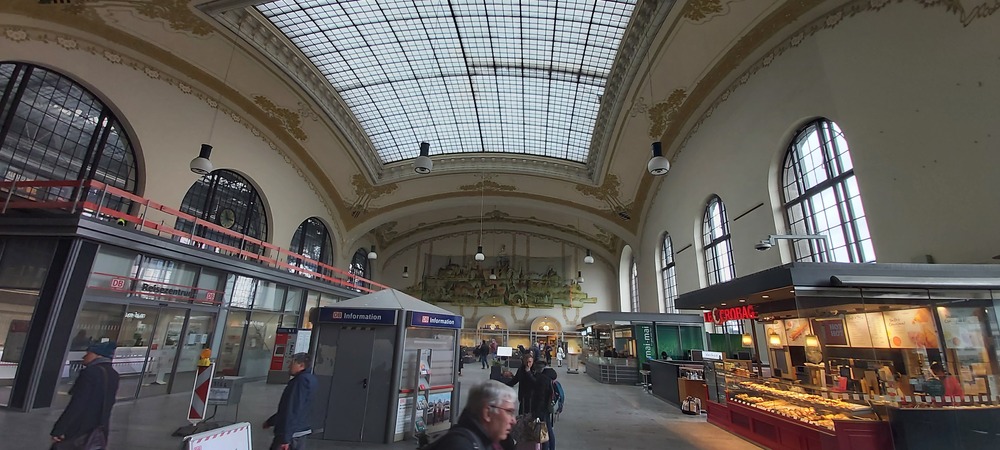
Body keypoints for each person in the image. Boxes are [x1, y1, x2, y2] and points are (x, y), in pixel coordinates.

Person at [51, 341, 120, 448]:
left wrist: (60, 428)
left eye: (88, 353)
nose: (84, 356)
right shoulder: (113, 374)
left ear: (98, 355)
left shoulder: (90, 373)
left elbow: (78, 403)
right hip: (99, 428)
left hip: (80, 427)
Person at [429, 380, 517, 450]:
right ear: (487, 413)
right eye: (509, 412)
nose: (514, 421)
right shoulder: (460, 445)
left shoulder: (490, 441)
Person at [263, 353, 317, 450]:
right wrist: (271, 421)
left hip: (291, 434)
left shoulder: (300, 382)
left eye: (292, 363)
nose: (289, 366)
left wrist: (285, 438)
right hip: (299, 431)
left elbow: (292, 409)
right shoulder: (311, 379)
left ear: (301, 365)